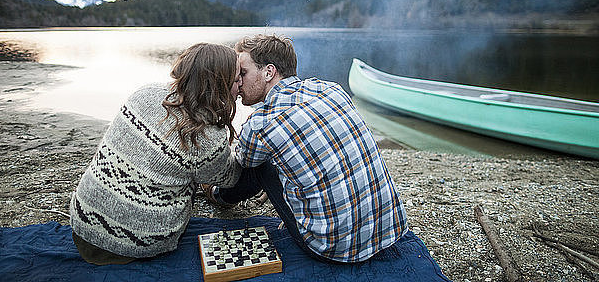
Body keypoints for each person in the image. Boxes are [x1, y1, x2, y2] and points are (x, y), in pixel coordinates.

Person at [204, 34, 408, 263]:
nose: (238, 83)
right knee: (279, 151)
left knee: (258, 162)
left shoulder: (261, 124)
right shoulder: (331, 89)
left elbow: (240, 162)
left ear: (268, 72)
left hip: (333, 248)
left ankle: (216, 194)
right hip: (391, 229)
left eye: (243, 73)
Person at [69, 43, 242, 265]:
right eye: (237, 78)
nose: (240, 85)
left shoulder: (144, 93)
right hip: (136, 242)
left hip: (83, 225)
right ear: (219, 84)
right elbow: (231, 177)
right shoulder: (208, 136)